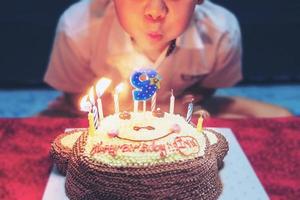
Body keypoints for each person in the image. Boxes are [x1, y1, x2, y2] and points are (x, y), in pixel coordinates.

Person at [42, 0, 292, 118]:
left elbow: (206, 88)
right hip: (105, 114)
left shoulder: (220, 31)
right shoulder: (78, 28)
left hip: (180, 107)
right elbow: (73, 95)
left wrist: (187, 104)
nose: (154, 11)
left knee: (282, 117)